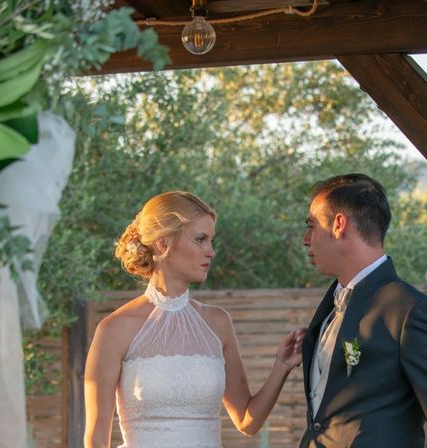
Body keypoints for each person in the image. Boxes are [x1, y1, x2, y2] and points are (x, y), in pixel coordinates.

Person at [83, 191, 304, 448]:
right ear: (163, 244)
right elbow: (96, 440)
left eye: (211, 241)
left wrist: (282, 366)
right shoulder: (115, 329)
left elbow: (247, 420)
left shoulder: (218, 323)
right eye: (201, 239)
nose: (210, 252)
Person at [300, 174, 427, 448]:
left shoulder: (410, 311)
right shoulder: (329, 307)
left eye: (311, 226)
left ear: (338, 224)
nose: (305, 239)